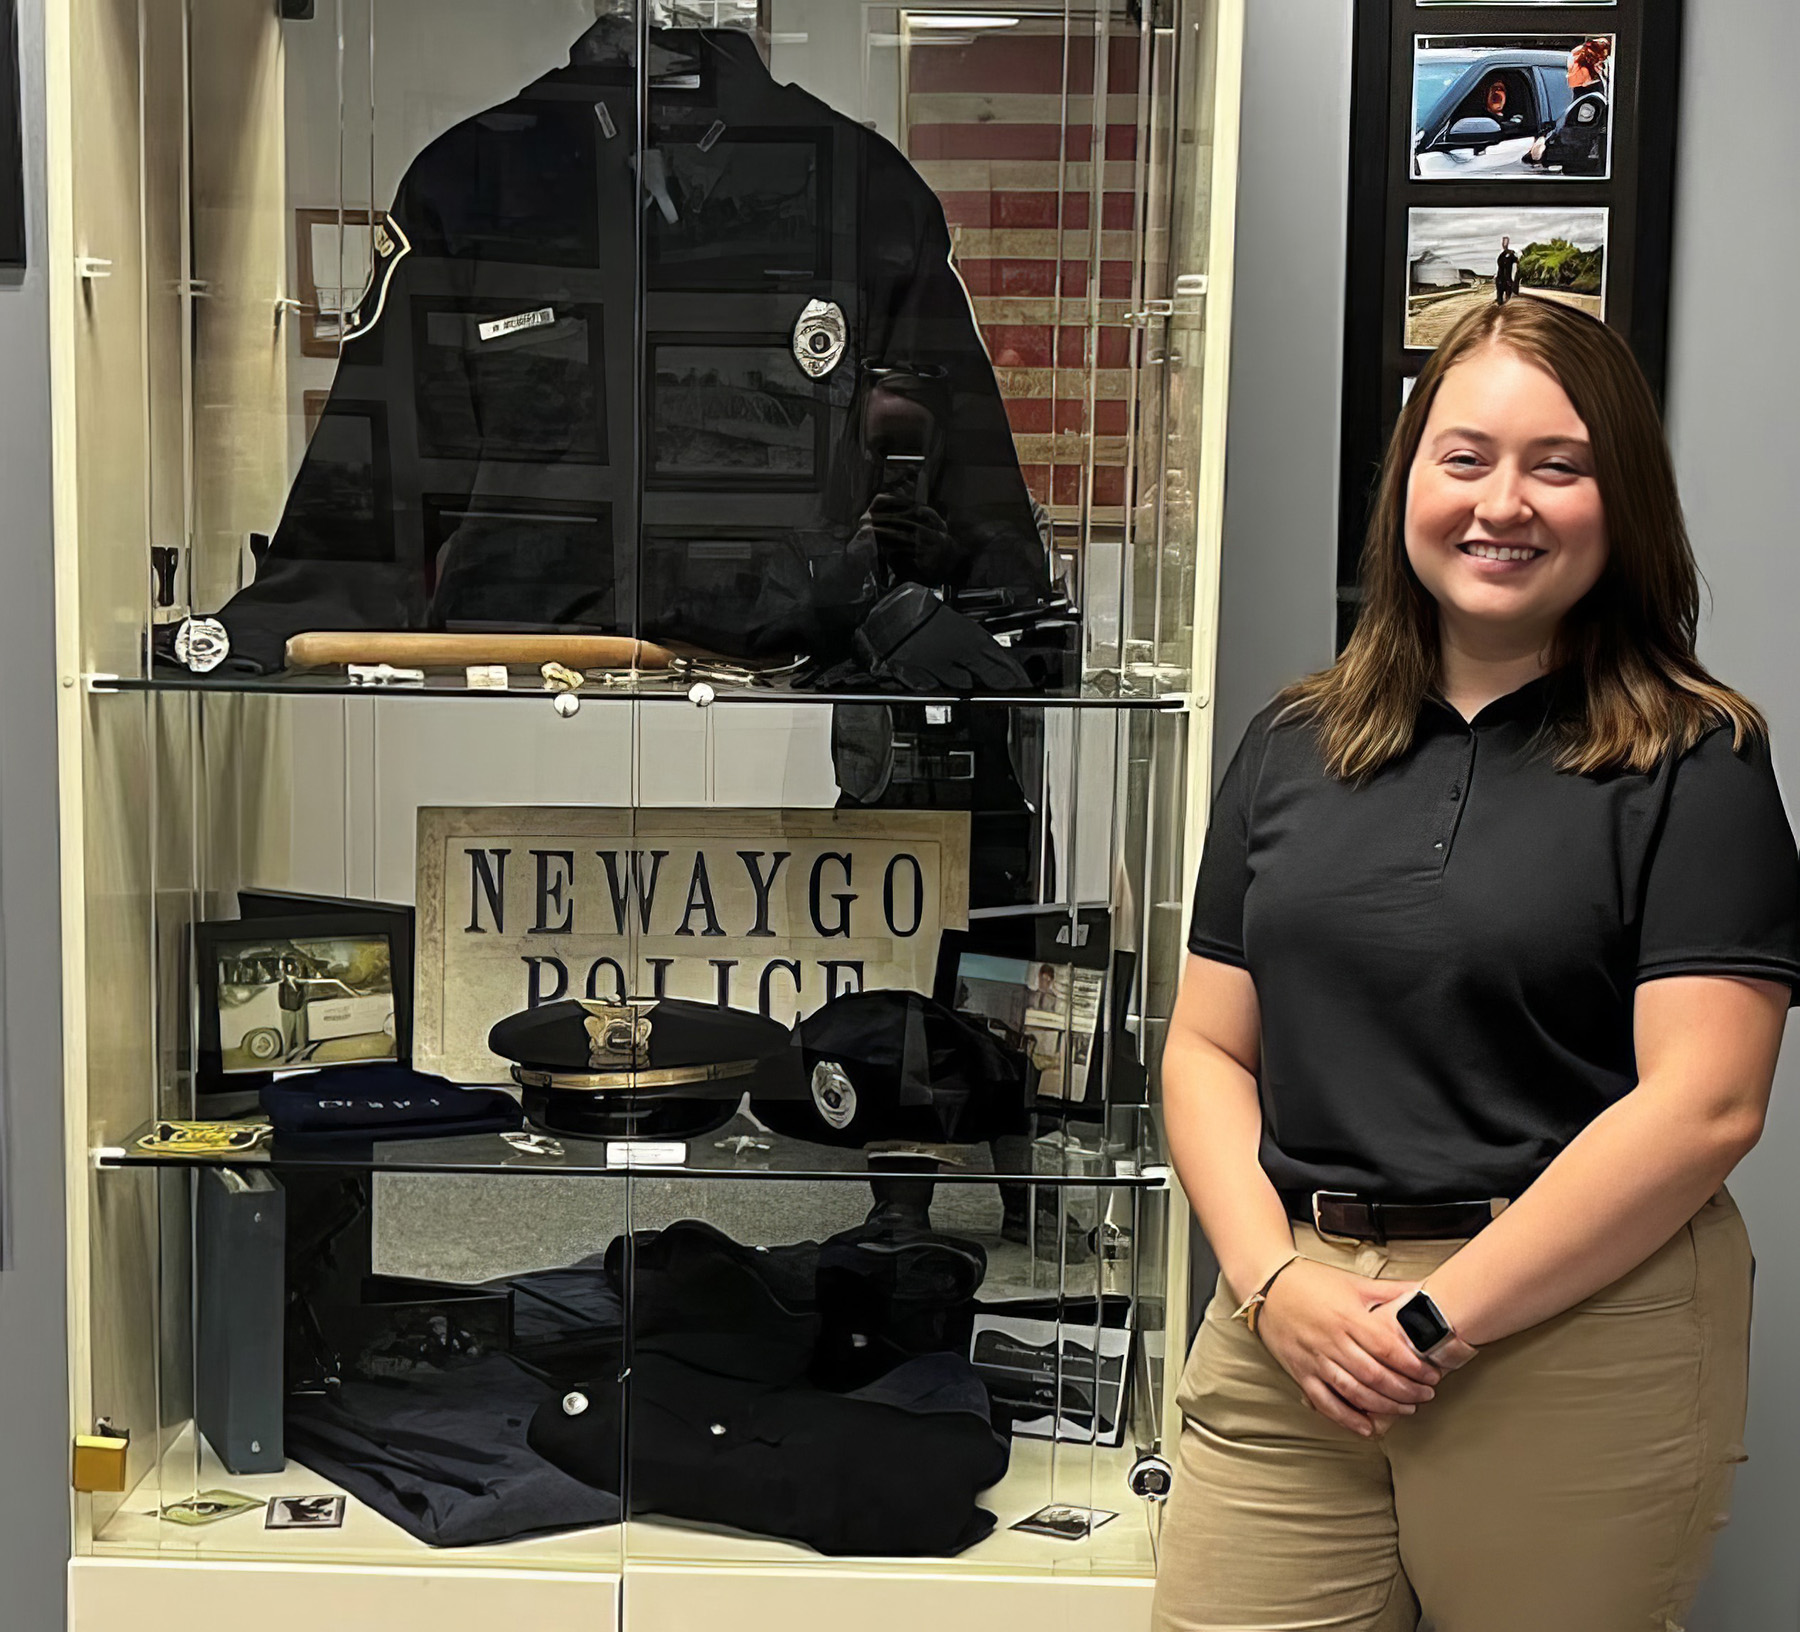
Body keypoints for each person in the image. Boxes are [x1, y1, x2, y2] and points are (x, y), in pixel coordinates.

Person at [1151, 297, 1800, 1631]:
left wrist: (1436, 1320)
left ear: (1621, 505)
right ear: (1408, 484)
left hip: (1574, 1334)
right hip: (1296, 1323)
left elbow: (1710, 1104)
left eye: (1558, 466)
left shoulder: (1699, 759)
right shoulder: (1289, 744)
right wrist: (1273, 1285)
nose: (1504, 502)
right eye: (1465, 458)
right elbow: (1210, 1048)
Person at [1494, 235, 1519, 305]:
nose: (1504, 244)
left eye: (1505, 242)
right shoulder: (1501, 255)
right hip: (1500, 278)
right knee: (1500, 297)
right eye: (1503, 242)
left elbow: (1516, 263)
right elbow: (1499, 265)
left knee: (1508, 297)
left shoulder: (1511, 254)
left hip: (1507, 278)